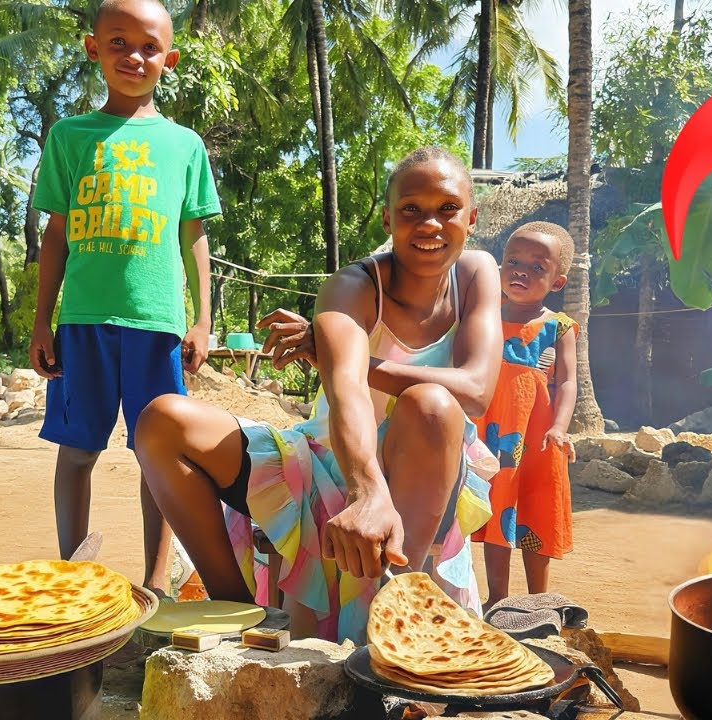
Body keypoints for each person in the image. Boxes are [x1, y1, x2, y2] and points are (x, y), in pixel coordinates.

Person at [133, 146, 502, 642]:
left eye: (447, 209)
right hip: (329, 465)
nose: (429, 223)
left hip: (425, 476)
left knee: (433, 406)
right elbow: (345, 388)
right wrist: (365, 489)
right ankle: (241, 615)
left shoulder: (476, 273)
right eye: (411, 209)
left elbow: (477, 390)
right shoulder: (353, 285)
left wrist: (336, 353)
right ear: (389, 218)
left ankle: (396, 611)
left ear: (471, 217)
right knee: (161, 421)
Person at [28, 0, 221, 562]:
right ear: (94, 49)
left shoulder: (185, 145)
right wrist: (43, 321)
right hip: (83, 322)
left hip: (157, 325)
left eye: (148, 46)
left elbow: (194, 238)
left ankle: (156, 583)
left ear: (170, 59)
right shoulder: (69, 136)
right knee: (76, 449)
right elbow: (55, 237)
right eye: (118, 43)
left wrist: (203, 320)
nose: (133, 56)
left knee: (157, 455)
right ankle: (72, 571)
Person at [473, 222, 580, 609]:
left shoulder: (559, 326)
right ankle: (497, 598)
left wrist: (559, 428)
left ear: (557, 282)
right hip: (492, 433)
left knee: (537, 509)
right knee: (497, 507)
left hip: (538, 436)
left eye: (538, 267)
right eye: (513, 261)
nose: (521, 271)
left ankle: (540, 598)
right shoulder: (482, 316)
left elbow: (567, 382)